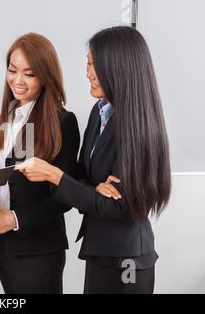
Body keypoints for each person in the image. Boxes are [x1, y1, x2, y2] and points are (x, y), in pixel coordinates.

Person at [17, 26, 171, 294]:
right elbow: (82, 178)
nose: (88, 74)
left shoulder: (137, 125)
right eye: (87, 64)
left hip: (127, 259)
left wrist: (54, 175)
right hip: (99, 250)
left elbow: (119, 207)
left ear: (119, 68)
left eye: (94, 65)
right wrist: (93, 189)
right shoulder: (99, 113)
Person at [0, 33, 80, 293]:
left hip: (39, 249)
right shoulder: (5, 120)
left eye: (29, 74)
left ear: (45, 76)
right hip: (5, 247)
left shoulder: (62, 121)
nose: (17, 80)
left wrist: (17, 218)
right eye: (12, 70)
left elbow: (65, 195)